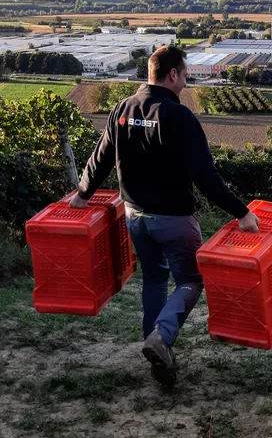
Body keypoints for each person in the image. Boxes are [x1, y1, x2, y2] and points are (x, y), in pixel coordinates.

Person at [69, 45, 259, 386]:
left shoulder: (122, 109)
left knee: (155, 279)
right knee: (191, 280)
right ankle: (162, 337)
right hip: (173, 218)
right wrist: (241, 212)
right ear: (172, 74)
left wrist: (83, 194)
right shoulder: (179, 117)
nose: (185, 83)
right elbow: (205, 176)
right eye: (185, 76)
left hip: (135, 217)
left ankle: (155, 348)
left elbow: (98, 160)